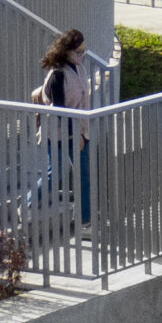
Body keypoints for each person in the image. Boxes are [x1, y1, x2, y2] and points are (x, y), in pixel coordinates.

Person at [34, 29, 92, 220]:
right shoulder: (57, 75)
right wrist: (74, 136)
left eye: (84, 50)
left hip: (81, 131)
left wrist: (82, 134)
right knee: (55, 173)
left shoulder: (80, 68)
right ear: (66, 51)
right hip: (58, 133)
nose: (82, 55)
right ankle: (28, 205)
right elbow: (60, 112)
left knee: (84, 176)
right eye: (78, 51)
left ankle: (84, 219)